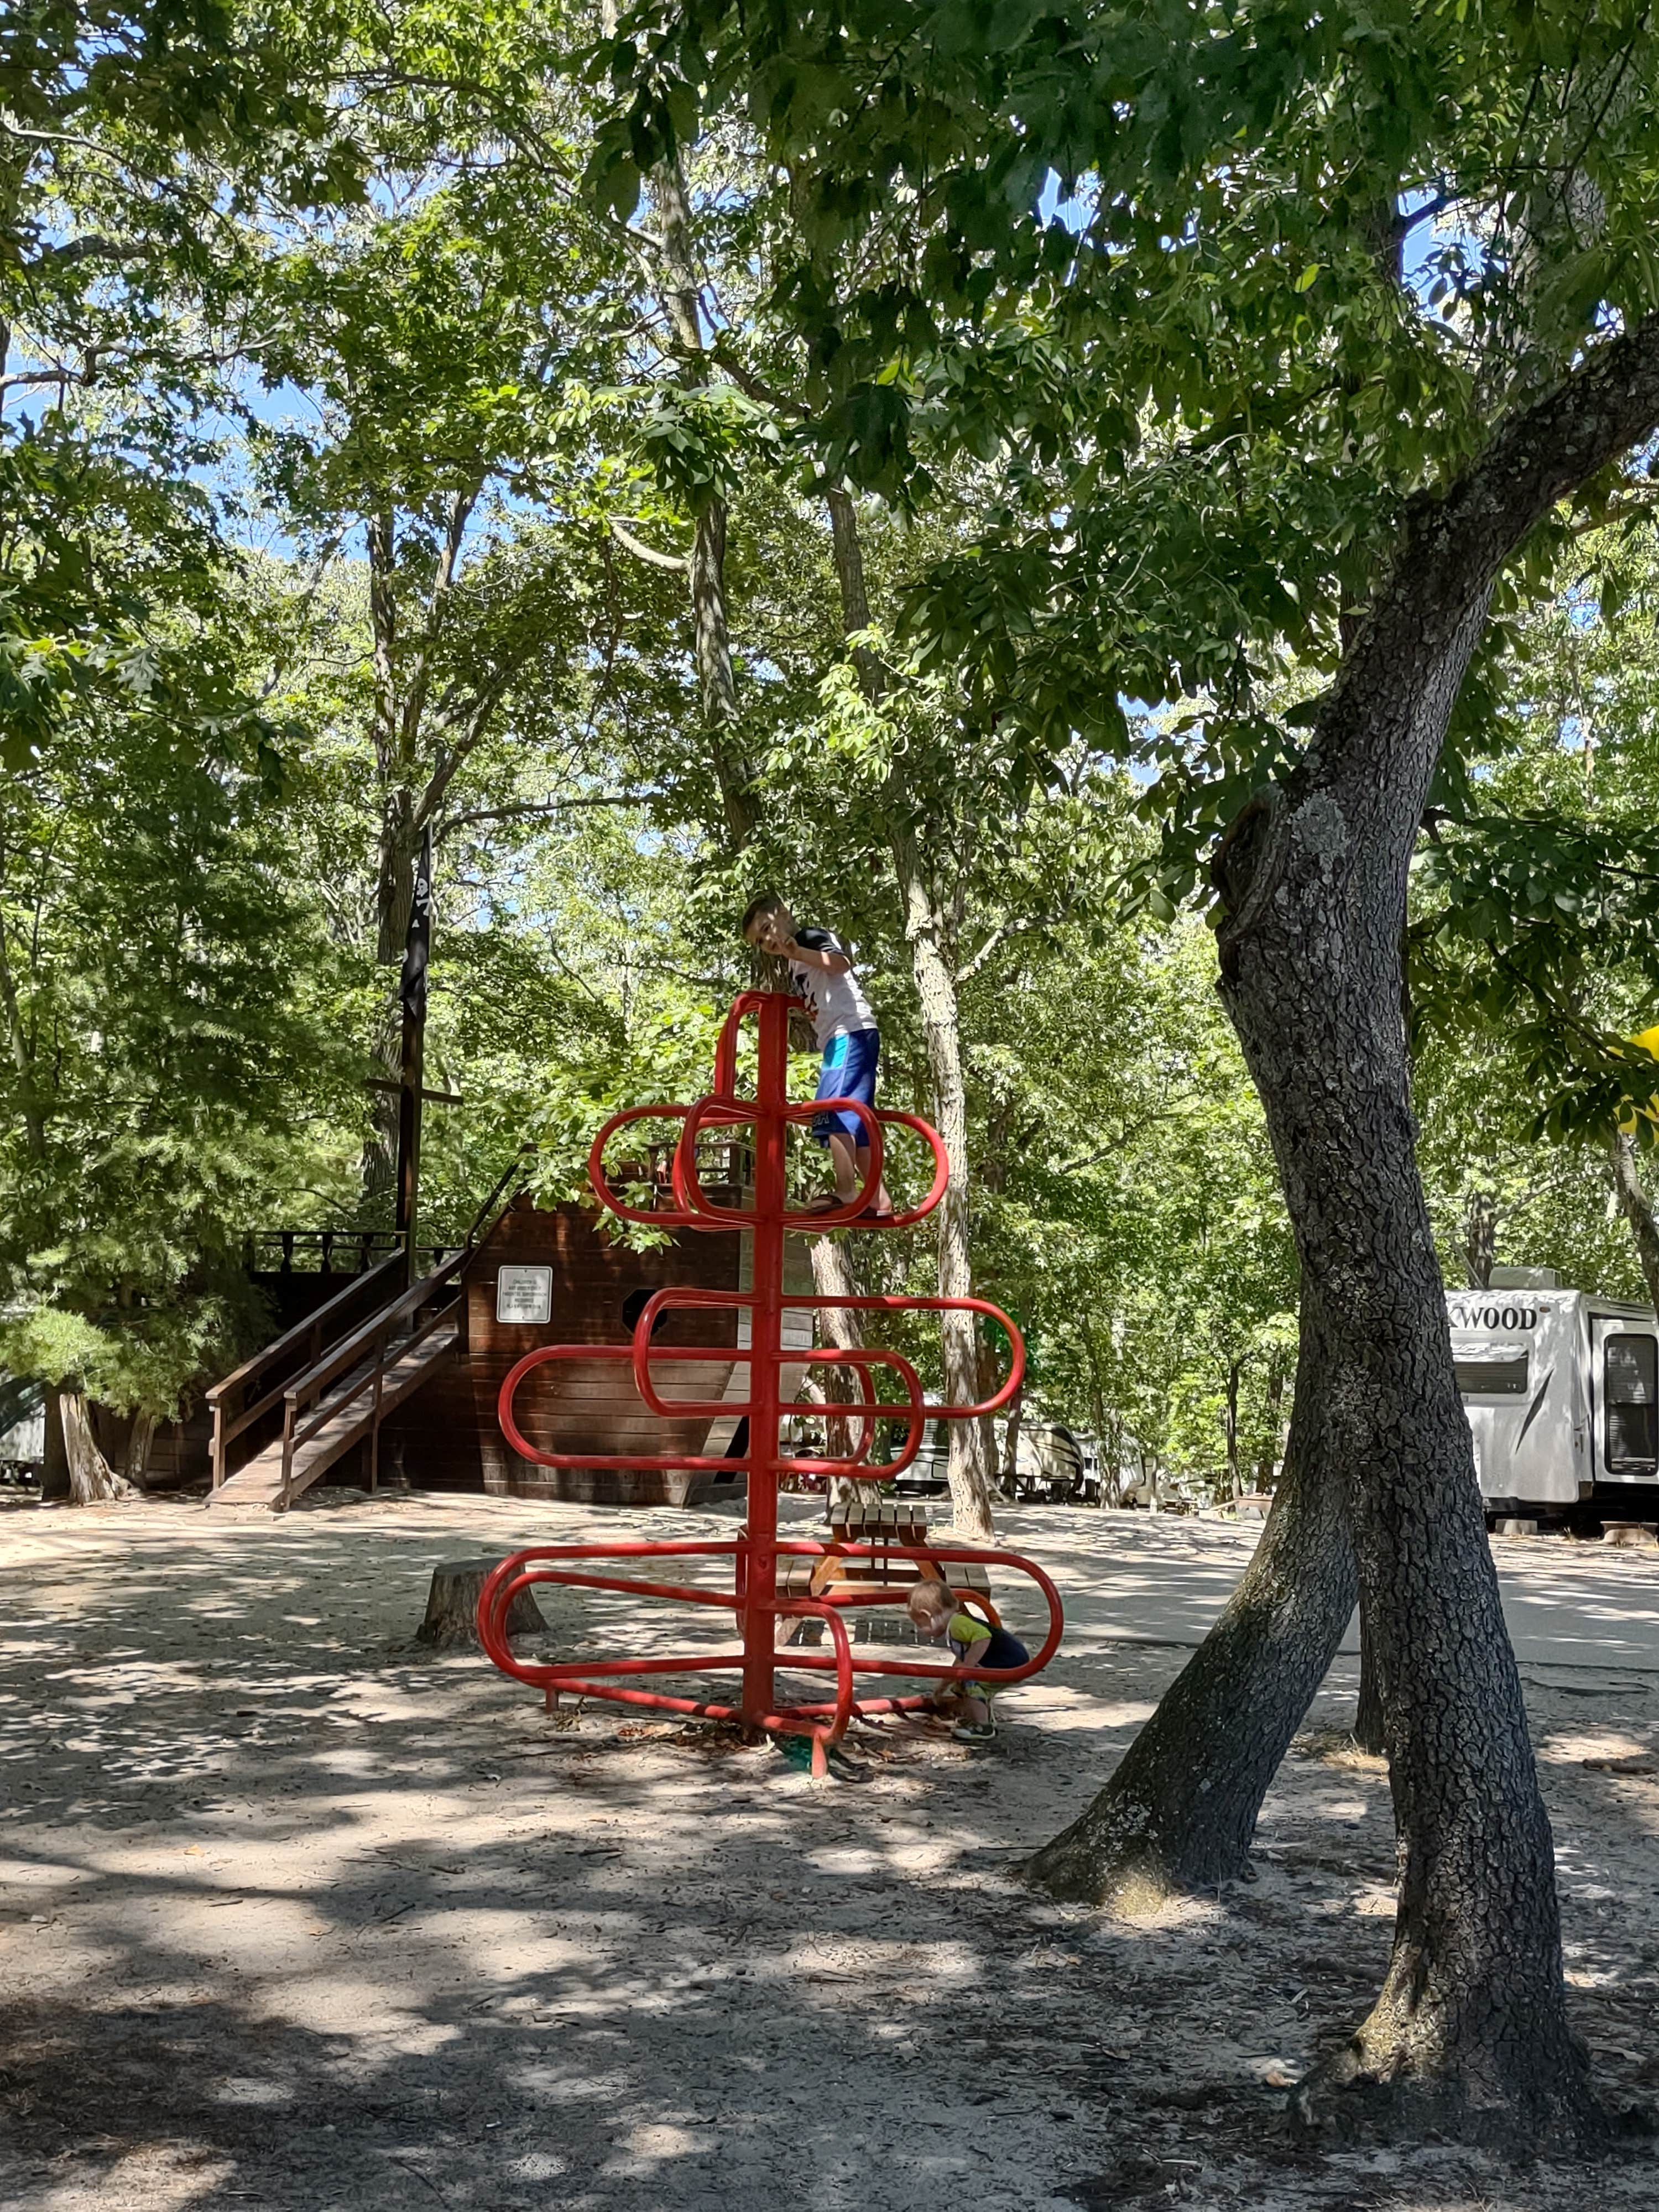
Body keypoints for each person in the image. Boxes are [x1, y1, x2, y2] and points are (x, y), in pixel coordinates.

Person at [741, 892, 892, 1217]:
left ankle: (847, 1190)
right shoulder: (795, 962)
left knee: (831, 1110)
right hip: (841, 1038)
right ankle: (878, 1198)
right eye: (759, 939)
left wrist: (800, 952)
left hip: (848, 1034)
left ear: (783, 914)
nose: (767, 939)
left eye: (767, 928)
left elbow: (840, 964)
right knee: (856, 1122)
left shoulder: (811, 937)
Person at [905, 1578, 1029, 1744]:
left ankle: (983, 1726)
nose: (921, 1630)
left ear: (927, 1615)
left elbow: (983, 1637)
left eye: (920, 1625)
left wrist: (969, 1668)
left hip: (1009, 1663)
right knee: (965, 1682)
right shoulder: (957, 1625)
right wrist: (944, 1684)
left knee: (971, 1684)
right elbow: (961, 1660)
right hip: (1011, 1661)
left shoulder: (957, 1624)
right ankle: (983, 1718)